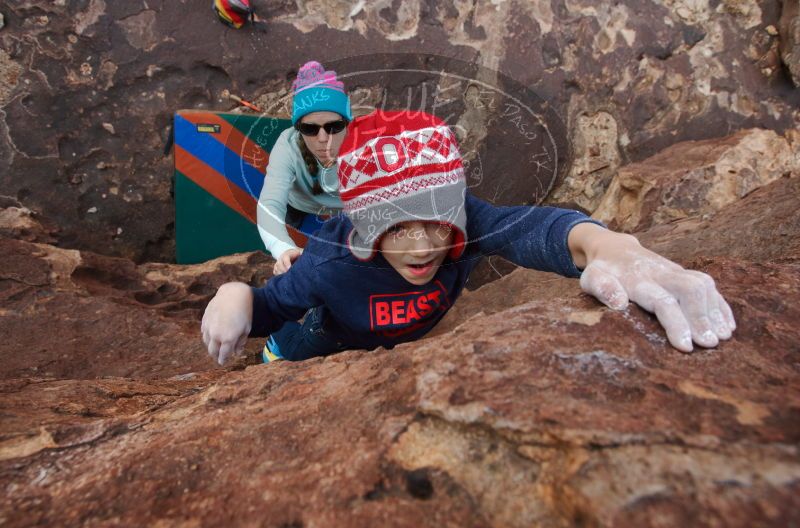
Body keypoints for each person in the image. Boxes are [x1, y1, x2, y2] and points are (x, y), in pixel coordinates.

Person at [202, 110, 735, 365]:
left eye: (437, 220)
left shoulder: (463, 224)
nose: (424, 246)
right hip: (324, 340)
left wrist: (612, 249)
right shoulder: (328, 263)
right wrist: (235, 297)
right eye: (398, 227)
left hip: (406, 348)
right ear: (367, 227)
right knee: (280, 357)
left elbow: (533, 229)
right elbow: (273, 304)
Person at [257, 60, 352, 275]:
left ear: (348, 123)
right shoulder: (288, 145)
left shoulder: (365, 144)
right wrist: (283, 249)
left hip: (348, 211)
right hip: (298, 204)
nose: (323, 139)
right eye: (310, 129)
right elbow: (270, 205)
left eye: (334, 127)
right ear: (298, 129)